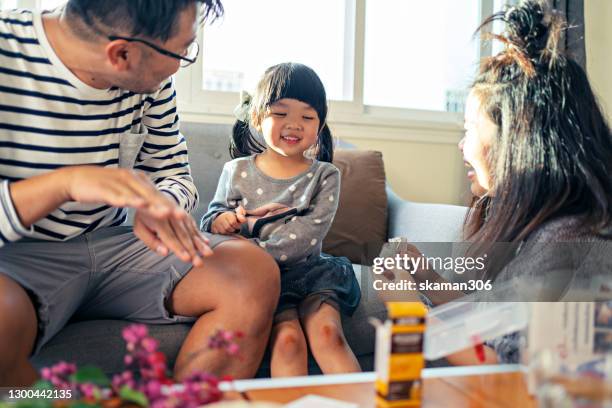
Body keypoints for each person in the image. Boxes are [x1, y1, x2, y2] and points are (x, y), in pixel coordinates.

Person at [0, 0, 280, 386]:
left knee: (251, 271)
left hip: (117, 245)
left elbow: (174, 173)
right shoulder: (7, 52)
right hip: (16, 258)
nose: (182, 62)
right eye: (182, 50)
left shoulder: (150, 79)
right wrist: (63, 184)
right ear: (121, 54)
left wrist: (162, 203)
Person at [381, 0, 612, 365]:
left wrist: (408, 308)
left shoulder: (570, 239)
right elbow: (492, 322)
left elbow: (504, 375)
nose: (462, 144)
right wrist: (426, 277)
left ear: (516, 137)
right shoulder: (556, 227)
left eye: (471, 128)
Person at [200, 63, 362, 377]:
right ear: (258, 117)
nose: (294, 124)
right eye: (281, 113)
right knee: (287, 342)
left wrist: (250, 248)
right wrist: (223, 222)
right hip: (260, 282)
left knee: (329, 336)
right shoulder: (236, 171)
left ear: (320, 124)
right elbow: (211, 221)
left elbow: (307, 236)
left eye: (307, 116)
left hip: (312, 273)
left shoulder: (325, 175)